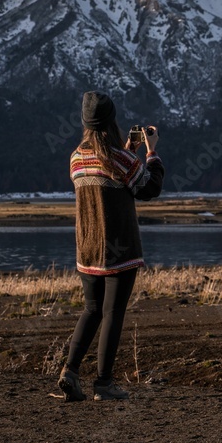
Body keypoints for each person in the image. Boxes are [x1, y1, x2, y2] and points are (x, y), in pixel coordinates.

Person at [57, 91, 165, 402]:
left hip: (87, 249)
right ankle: (104, 383)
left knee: (92, 310)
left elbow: (107, 179)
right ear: (111, 121)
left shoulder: (76, 157)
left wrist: (127, 151)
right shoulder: (122, 159)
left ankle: (70, 371)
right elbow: (148, 188)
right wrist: (151, 152)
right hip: (120, 251)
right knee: (113, 313)